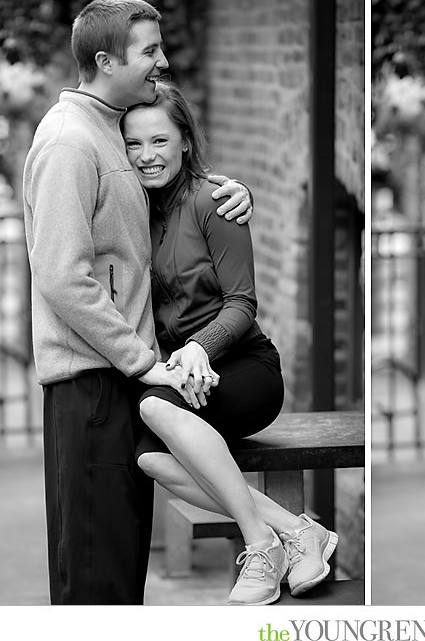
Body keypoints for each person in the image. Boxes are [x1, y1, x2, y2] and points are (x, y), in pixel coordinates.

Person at [23, 0, 252, 605]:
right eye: (149, 50)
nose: (162, 60)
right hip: (92, 382)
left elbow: (158, 206)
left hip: (117, 378)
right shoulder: (71, 141)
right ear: (105, 59)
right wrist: (142, 360)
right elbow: (62, 276)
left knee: (120, 569)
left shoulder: (109, 130)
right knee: (95, 576)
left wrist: (227, 193)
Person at [121, 81, 338, 606]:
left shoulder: (215, 201)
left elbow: (243, 303)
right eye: (134, 144)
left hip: (244, 369)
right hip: (182, 377)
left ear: (185, 142)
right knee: (151, 459)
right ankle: (296, 532)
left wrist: (200, 347)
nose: (148, 156)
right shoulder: (130, 212)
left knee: (152, 409)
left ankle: (260, 546)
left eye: (160, 141)